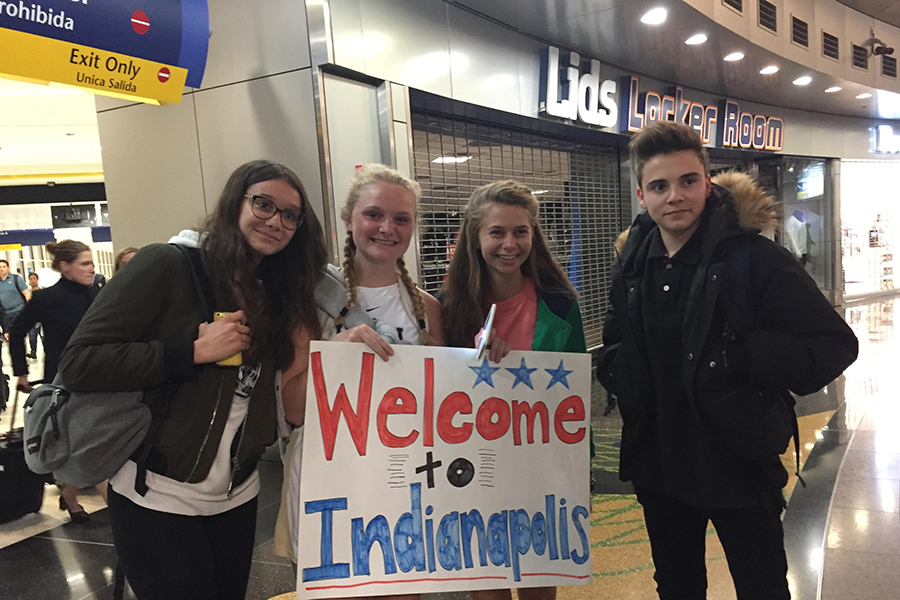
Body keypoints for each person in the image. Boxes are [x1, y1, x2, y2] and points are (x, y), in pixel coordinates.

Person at [596, 121, 859, 600]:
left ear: (707, 182)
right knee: (677, 586)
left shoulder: (752, 258)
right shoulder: (632, 262)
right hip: (661, 464)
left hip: (738, 460)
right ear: (641, 195)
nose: (675, 195)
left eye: (687, 181)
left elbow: (834, 344)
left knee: (760, 585)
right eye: (659, 185)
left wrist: (736, 361)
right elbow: (614, 340)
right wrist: (623, 377)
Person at [57, 160, 327, 600]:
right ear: (234, 203)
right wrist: (194, 352)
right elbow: (80, 362)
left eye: (290, 215)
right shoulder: (168, 263)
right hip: (156, 495)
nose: (276, 221)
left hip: (236, 496)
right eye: (263, 204)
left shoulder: (274, 289)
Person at [274, 166, 443, 585]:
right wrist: (333, 353)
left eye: (401, 218)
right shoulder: (310, 302)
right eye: (373, 214)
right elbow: (293, 408)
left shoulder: (427, 308)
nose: (387, 227)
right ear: (349, 221)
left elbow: (441, 404)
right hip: (328, 480)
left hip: (402, 480)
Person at [440, 179, 587, 600]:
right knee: (488, 591)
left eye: (520, 231)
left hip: (539, 470)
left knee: (540, 588)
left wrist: (580, 474)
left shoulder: (560, 304)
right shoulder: (448, 308)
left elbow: (573, 400)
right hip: (472, 472)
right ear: (475, 237)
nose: (510, 244)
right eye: (497, 232)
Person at [10, 241, 103, 523]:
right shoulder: (45, 299)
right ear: (65, 266)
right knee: (83, 443)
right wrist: (22, 372)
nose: (92, 268)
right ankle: (81, 502)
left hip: (99, 376)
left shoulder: (99, 294)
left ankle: (70, 497)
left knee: (90, 441)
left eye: (92, 262)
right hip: (64, 383)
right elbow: (16, 332)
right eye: (85, 263)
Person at [0, 259, 30, 333]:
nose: (1, 269)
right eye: (0, 267)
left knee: (19, 334)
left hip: (18, 311)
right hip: (4, 315)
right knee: (8, 335)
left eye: (4, 266)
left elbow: (26, 293)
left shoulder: (16, 279)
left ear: (8, 268)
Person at [25, 272, 41, 359]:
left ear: (37, 279)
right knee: (32, 336)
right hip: (32, 318)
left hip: (42, 318)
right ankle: (33, 351)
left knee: (43, 336)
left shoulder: (43, 291)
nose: (32, 281)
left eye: (34, 278)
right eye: (31, 279)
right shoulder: (27, 292)